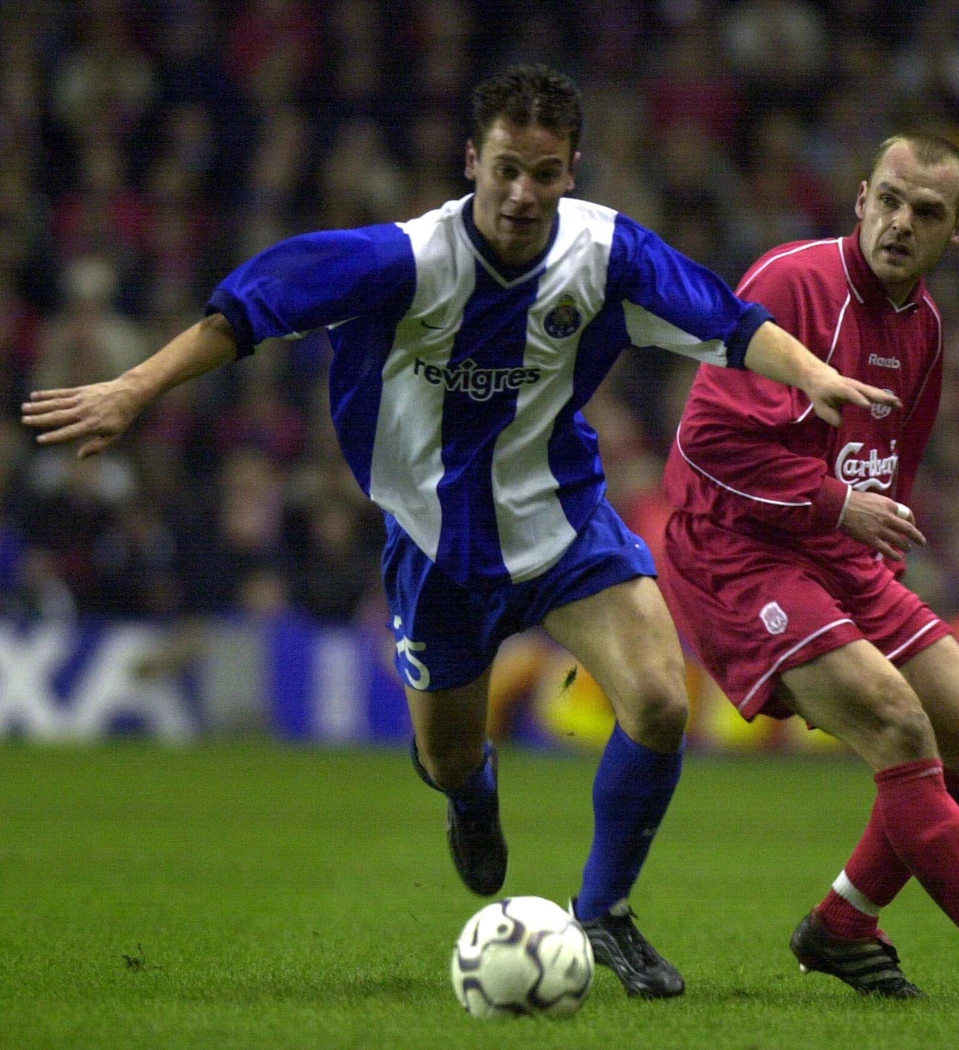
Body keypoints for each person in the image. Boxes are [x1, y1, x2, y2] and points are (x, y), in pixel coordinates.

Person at [21, 64, 897, 1000]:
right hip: (437, 545)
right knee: (446, 757)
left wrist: (812, 375)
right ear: (473, 160)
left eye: (545, 174)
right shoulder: (400, 261)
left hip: (564, 522)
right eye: (507, 170)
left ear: (571, 172)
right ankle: (470, 794)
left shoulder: (607, 253)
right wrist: (132, 391)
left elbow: (730, 322)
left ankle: (604, 912)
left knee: (659, 703)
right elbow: (248, 308)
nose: (523, 194)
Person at [658, 133, 959, 1012]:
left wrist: (866, 536)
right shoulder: (790, 282)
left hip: (834, 548)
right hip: (735, 547)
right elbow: (704, 443)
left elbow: (889, 460)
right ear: (861, 198)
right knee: (902, 726)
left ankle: (842, 923)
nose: (902, 223)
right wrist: (839, 505)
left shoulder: (928, 328)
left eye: (927, 212)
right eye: (891, 201)